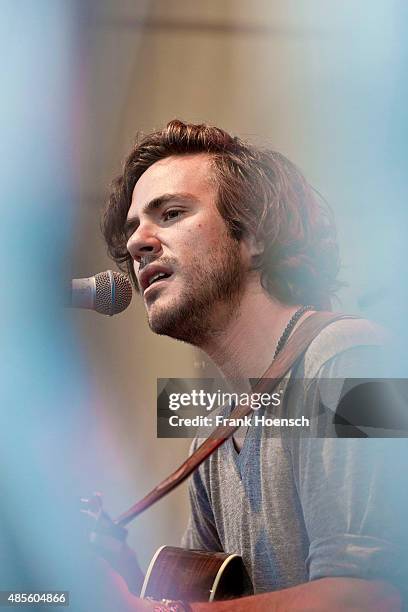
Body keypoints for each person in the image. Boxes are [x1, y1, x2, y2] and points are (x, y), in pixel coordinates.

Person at [95, 120, 406, 611]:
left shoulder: (353, 360)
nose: (138, 243)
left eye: (171, 213)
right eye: (133, 229)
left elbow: (372, 597)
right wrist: (123, 584)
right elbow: (203, 598)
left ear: (255, 234)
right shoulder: (211, 431)